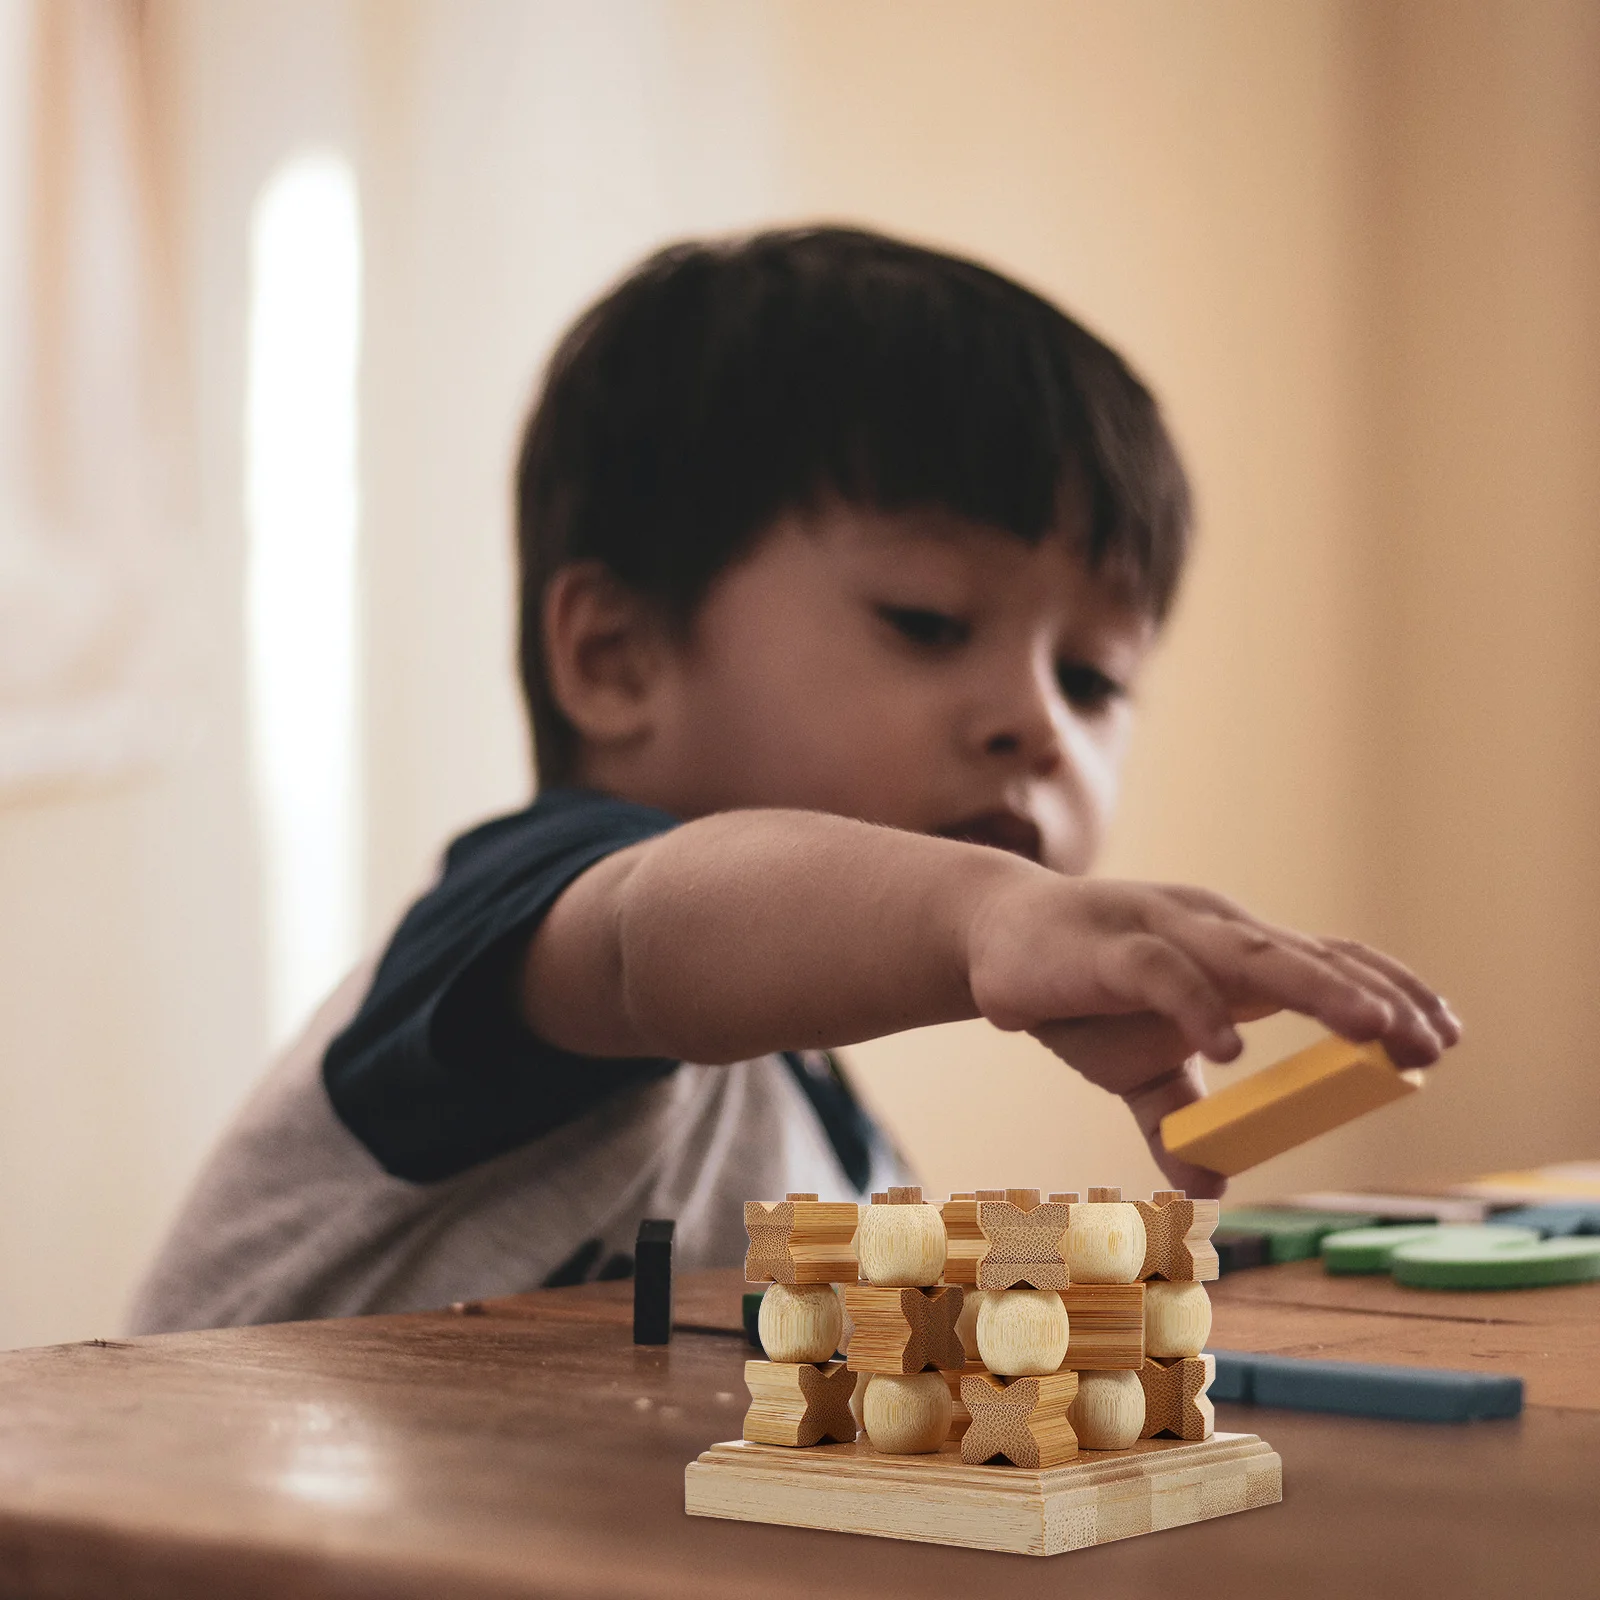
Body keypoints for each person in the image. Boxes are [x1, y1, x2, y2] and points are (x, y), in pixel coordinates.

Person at [129, 227, 1458, 1334]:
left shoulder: (828, 1140)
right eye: (930, 623)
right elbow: (661, 933)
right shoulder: (545, 930)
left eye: (1096, 678)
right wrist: (981, 913)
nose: (1038, 725)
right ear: (619, 658)